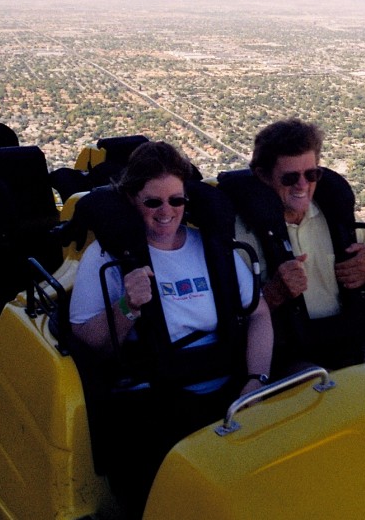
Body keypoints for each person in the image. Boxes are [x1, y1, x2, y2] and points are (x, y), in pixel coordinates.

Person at [69, 141, 272, 517]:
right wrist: (128, 306)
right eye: (153, 202)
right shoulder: (107, 258)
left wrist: (256, 380)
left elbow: (259, 315)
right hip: (153, 400)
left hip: (228, 391)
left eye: (176, 201)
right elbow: (88, 342)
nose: (167, 212)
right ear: (132, 200)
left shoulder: (210, 248)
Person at [219, 118, 365, 374]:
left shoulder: (332, 214)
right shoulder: (243, 234)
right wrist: (272, 294)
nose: (303, 185)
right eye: (290, 177)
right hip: (287, 350)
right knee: (316, 386)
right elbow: (231, 317)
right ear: (263, 176)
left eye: (311, 174)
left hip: (349, 337)